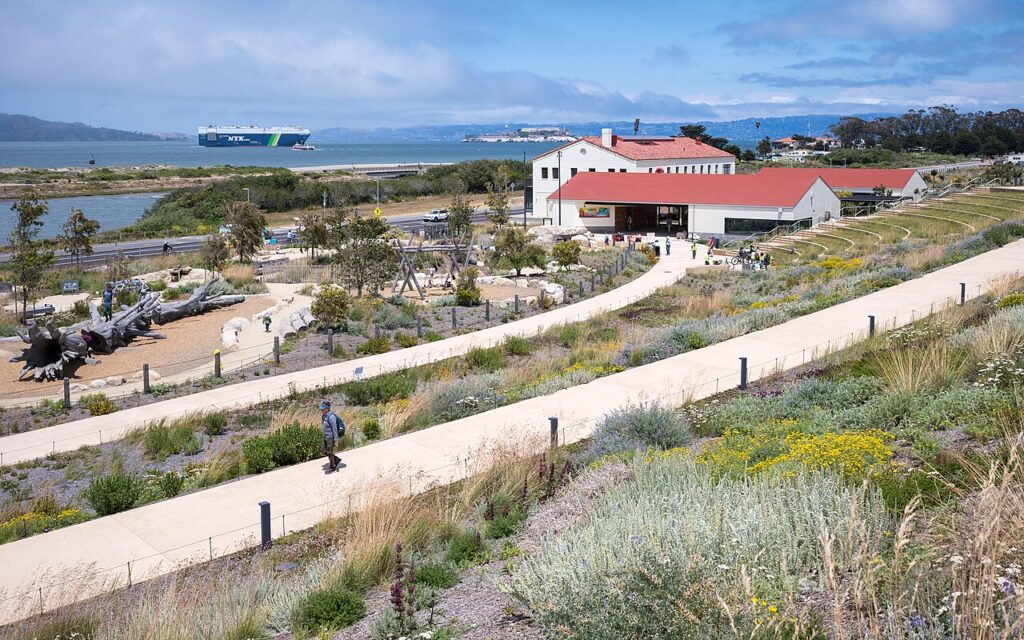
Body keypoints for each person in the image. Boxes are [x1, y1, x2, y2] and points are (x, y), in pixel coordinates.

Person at [320, 400, 345, 472]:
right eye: (321, 409)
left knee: (329, 452)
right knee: (323, 451)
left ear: (327, 409)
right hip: (325, 437)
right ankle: (336, 460)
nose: (321, 410)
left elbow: (334, 430)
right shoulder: (324, 416)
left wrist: (336, 441)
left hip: (330, 437)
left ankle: (333, 466)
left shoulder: (331, 417)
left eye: (323, 409)